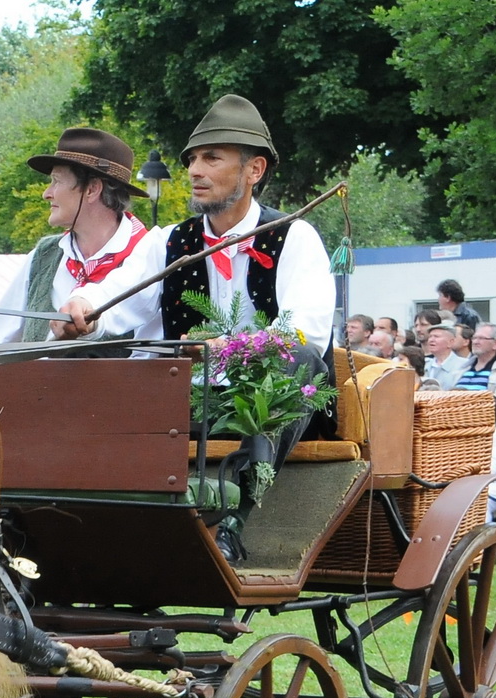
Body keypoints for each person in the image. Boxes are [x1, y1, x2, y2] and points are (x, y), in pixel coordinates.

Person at [53, 94, 335, 561]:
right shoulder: (169, 240)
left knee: (300, 363)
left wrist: (231, 349)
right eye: (191, 160)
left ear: (254, 171)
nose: (195, 171)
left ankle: (230, 523)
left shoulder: (295, 236)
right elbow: (124, 288)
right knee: (91, 360)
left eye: (211, 158)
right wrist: (84, 304)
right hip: (186, 398)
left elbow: (304, 333)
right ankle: (87, 514)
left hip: (265, 404)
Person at [0, 127, 152, 345]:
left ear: (92, 189)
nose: (46, 194)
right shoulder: (42, 257)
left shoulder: (150, 255)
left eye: (57, 181)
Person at [456, 324, 496, 414]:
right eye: (474, 338)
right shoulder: (462, 368)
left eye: (481, 338)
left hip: (490, 424)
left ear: (495, 344)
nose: (475, 342)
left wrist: (465, 398)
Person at [421, 324, 469, 389]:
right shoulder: (424, 364)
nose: (431, 340)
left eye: (436, 336)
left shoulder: (464, 366)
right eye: (430, 336)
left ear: (450, 342)